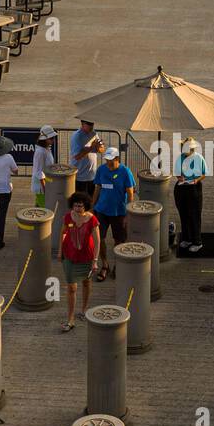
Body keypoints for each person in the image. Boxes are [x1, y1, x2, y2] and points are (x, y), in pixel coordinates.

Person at [58, 192, 100, 332]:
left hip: (87, 257)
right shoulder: (68, 217)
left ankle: (84, 309)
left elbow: (97, 241)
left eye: (80, 206)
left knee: (87, 282)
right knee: (71, 288)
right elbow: (63, 233)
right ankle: (70, 319)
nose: (77, 208)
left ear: (85, 206)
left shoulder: (92, 219)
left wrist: (95, 260)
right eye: (75, 205)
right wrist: (60, 251)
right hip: (70, 256)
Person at [92, 146, 136, 280]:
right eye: (107, 160)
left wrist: (129, 213)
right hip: (102, 211)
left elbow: (130, 193)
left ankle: (118, 265)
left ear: (117, 159)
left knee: (119, 240)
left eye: (111, 160)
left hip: (119, 212)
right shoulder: (101, 170)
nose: (108, 163)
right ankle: (105, 265)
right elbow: (98, 188)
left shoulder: (125, 172)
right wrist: (92, 206)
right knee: (100, 239)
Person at [174, 137, 208, 252]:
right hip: (181, 188)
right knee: (183, 214)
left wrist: (196, 180)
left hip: (194, 188)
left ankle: (197, 242)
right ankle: (186, 238)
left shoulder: (199, 158)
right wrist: (180, 177)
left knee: (194, 215)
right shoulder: (181, 157)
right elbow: (177, 173)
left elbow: (204, 174)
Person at [70, 118, 105, 203]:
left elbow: (102, 150)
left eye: (92, 123)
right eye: (88, 123)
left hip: (92, 176)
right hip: (80, 177)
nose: (91, 126)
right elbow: (77, 156)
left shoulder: (94, 133)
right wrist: (91, 147)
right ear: (82, 124)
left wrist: (99, 147)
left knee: (91, 202)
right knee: (80, 203)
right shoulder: (77, 136)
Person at [31, 125, 56, 207]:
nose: (53, 140)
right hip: (41, 185)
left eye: (53, 137)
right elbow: (39, 172)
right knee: (44, 209)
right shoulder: (40, 152)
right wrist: (45, 189)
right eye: (51, 138)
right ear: (45, 139)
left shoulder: (46, 149)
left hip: (46, 181)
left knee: (40, 207)